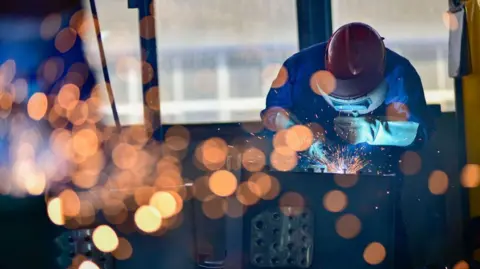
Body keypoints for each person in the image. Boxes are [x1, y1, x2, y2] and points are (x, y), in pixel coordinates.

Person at [261, 22, 435, 268]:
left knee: (384, 254)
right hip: (305, 194)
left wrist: (374, 130)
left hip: (374, 194)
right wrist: (295, 133)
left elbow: (420, 134)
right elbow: (272, 114)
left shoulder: (399, 72)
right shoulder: (297, 68)